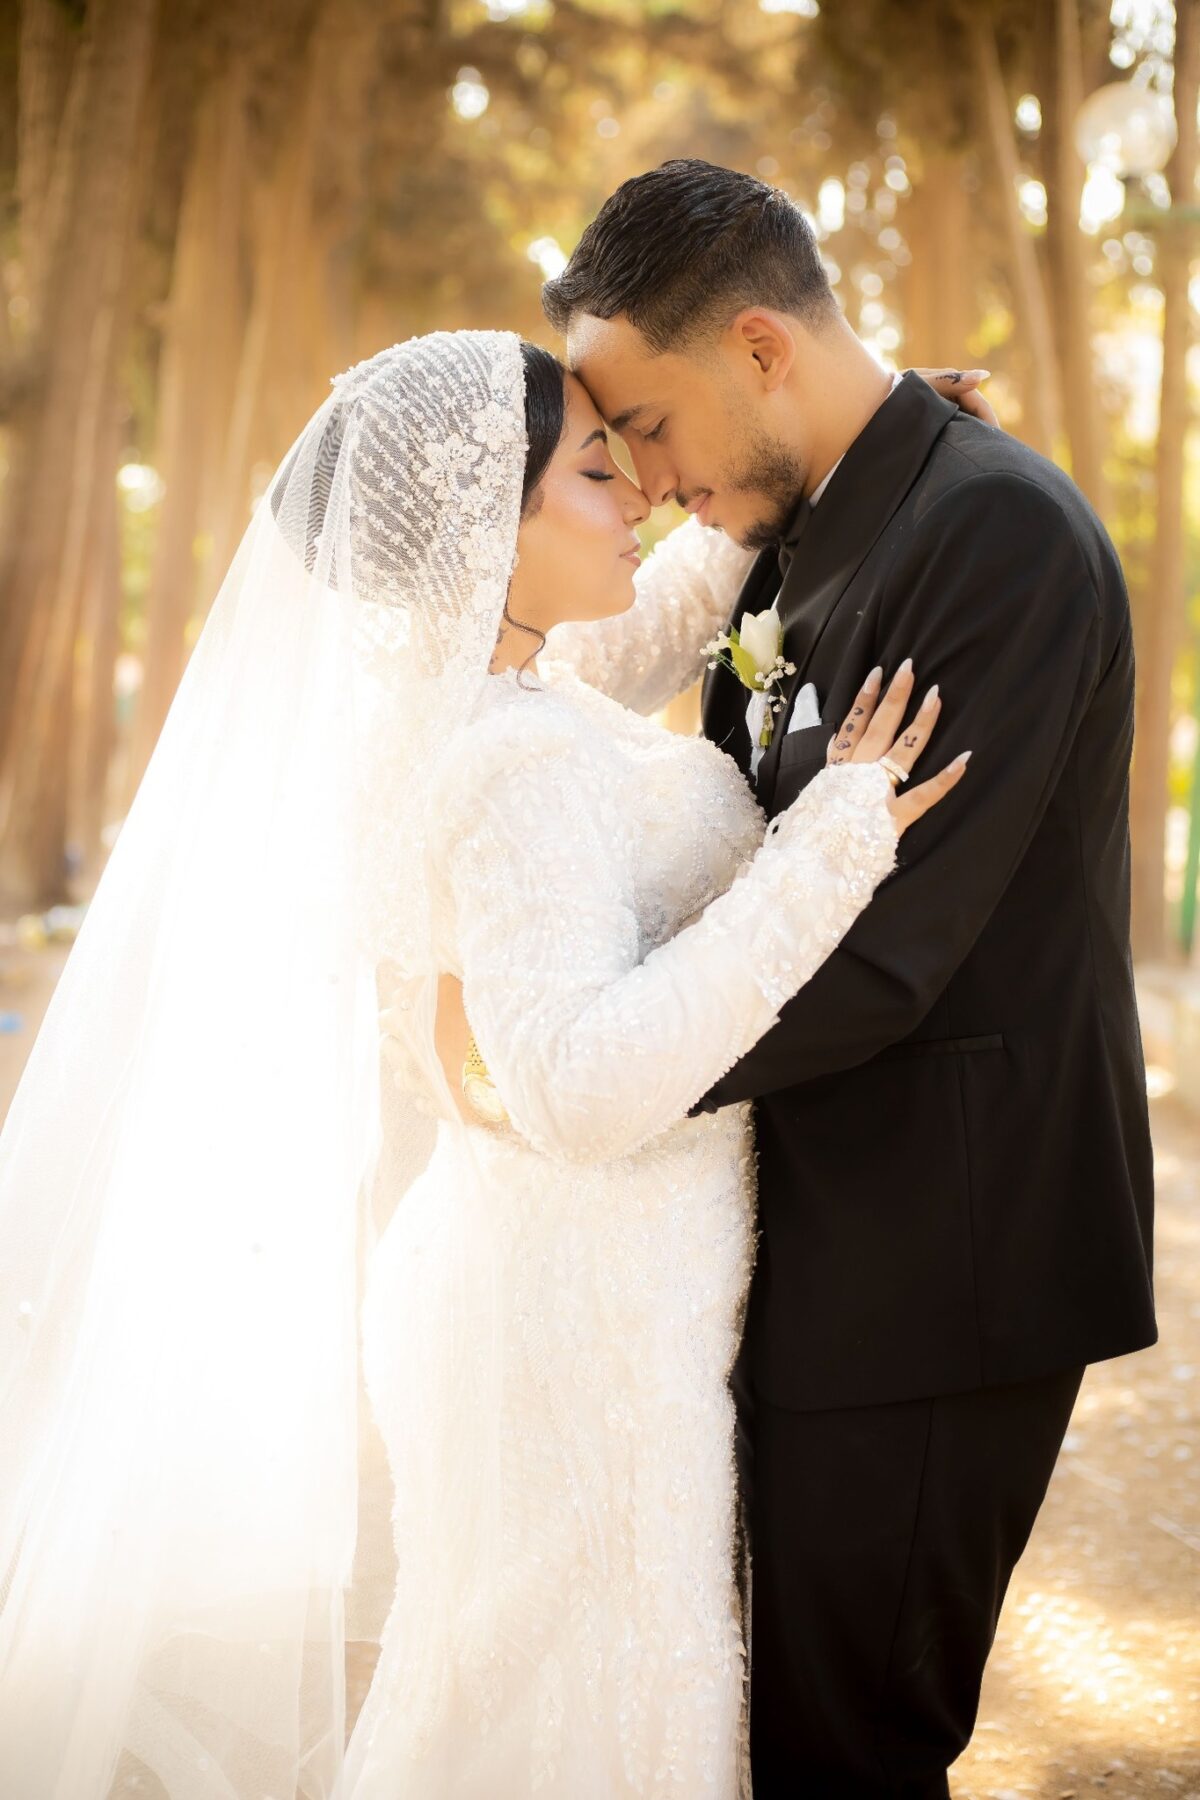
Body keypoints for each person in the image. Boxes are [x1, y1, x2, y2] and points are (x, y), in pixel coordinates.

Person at [0, 328, 966, 1798]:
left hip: (537, 1281)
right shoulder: (514, 766)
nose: (644, 489)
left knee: (511, 1704)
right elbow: (575, 1083)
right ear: (485, 529)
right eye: (596, 470)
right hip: (584, 1325)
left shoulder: (482, 688)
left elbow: (643, 622)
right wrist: (830, 845)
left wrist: (849, 431)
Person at [542, 157, 1157, 1798]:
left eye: (648, 426)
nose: (647, 480)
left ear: (759, 349)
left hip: (939, 1258)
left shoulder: (997, 534)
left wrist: (588, 1062)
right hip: (820, 1242)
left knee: (852, 1751)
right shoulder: (791, 531)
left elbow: (888, 952)